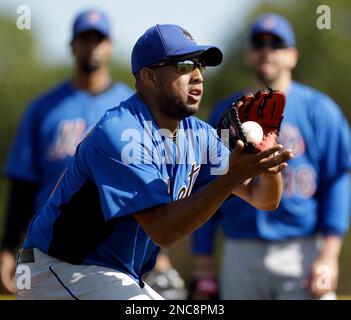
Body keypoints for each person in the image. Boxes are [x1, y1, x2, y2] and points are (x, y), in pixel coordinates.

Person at [14, 23, 293, 300]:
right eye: (184, 65)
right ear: (148, 76)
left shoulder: (201, 135)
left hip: (107, 273)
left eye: (200, 66)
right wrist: (231, 176)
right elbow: (164, 231)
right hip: (58, 269)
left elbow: (264, 199)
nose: (198, 76)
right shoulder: (121, 133)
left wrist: (265, 159)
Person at [191, 13, 351, 300]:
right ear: (248, 54)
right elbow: (206, 185)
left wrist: (329, 255)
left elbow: (337, 180)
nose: (267, 50)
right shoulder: (226, 113)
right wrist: (203, 261)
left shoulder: (320, 109)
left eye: (276, 44)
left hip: (302, 248)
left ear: (292, 55)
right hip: (240, 248)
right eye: (259, 43)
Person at [0, 8, 134, 293]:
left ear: (110, 46)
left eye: (98, 39)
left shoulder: (132, 108)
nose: (91, 46)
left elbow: (147, 184)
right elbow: (23, 184)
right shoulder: (43, 108)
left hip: (115, 253)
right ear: (72, 45)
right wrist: (8, 246)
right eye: (84, 38)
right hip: (49, 249)